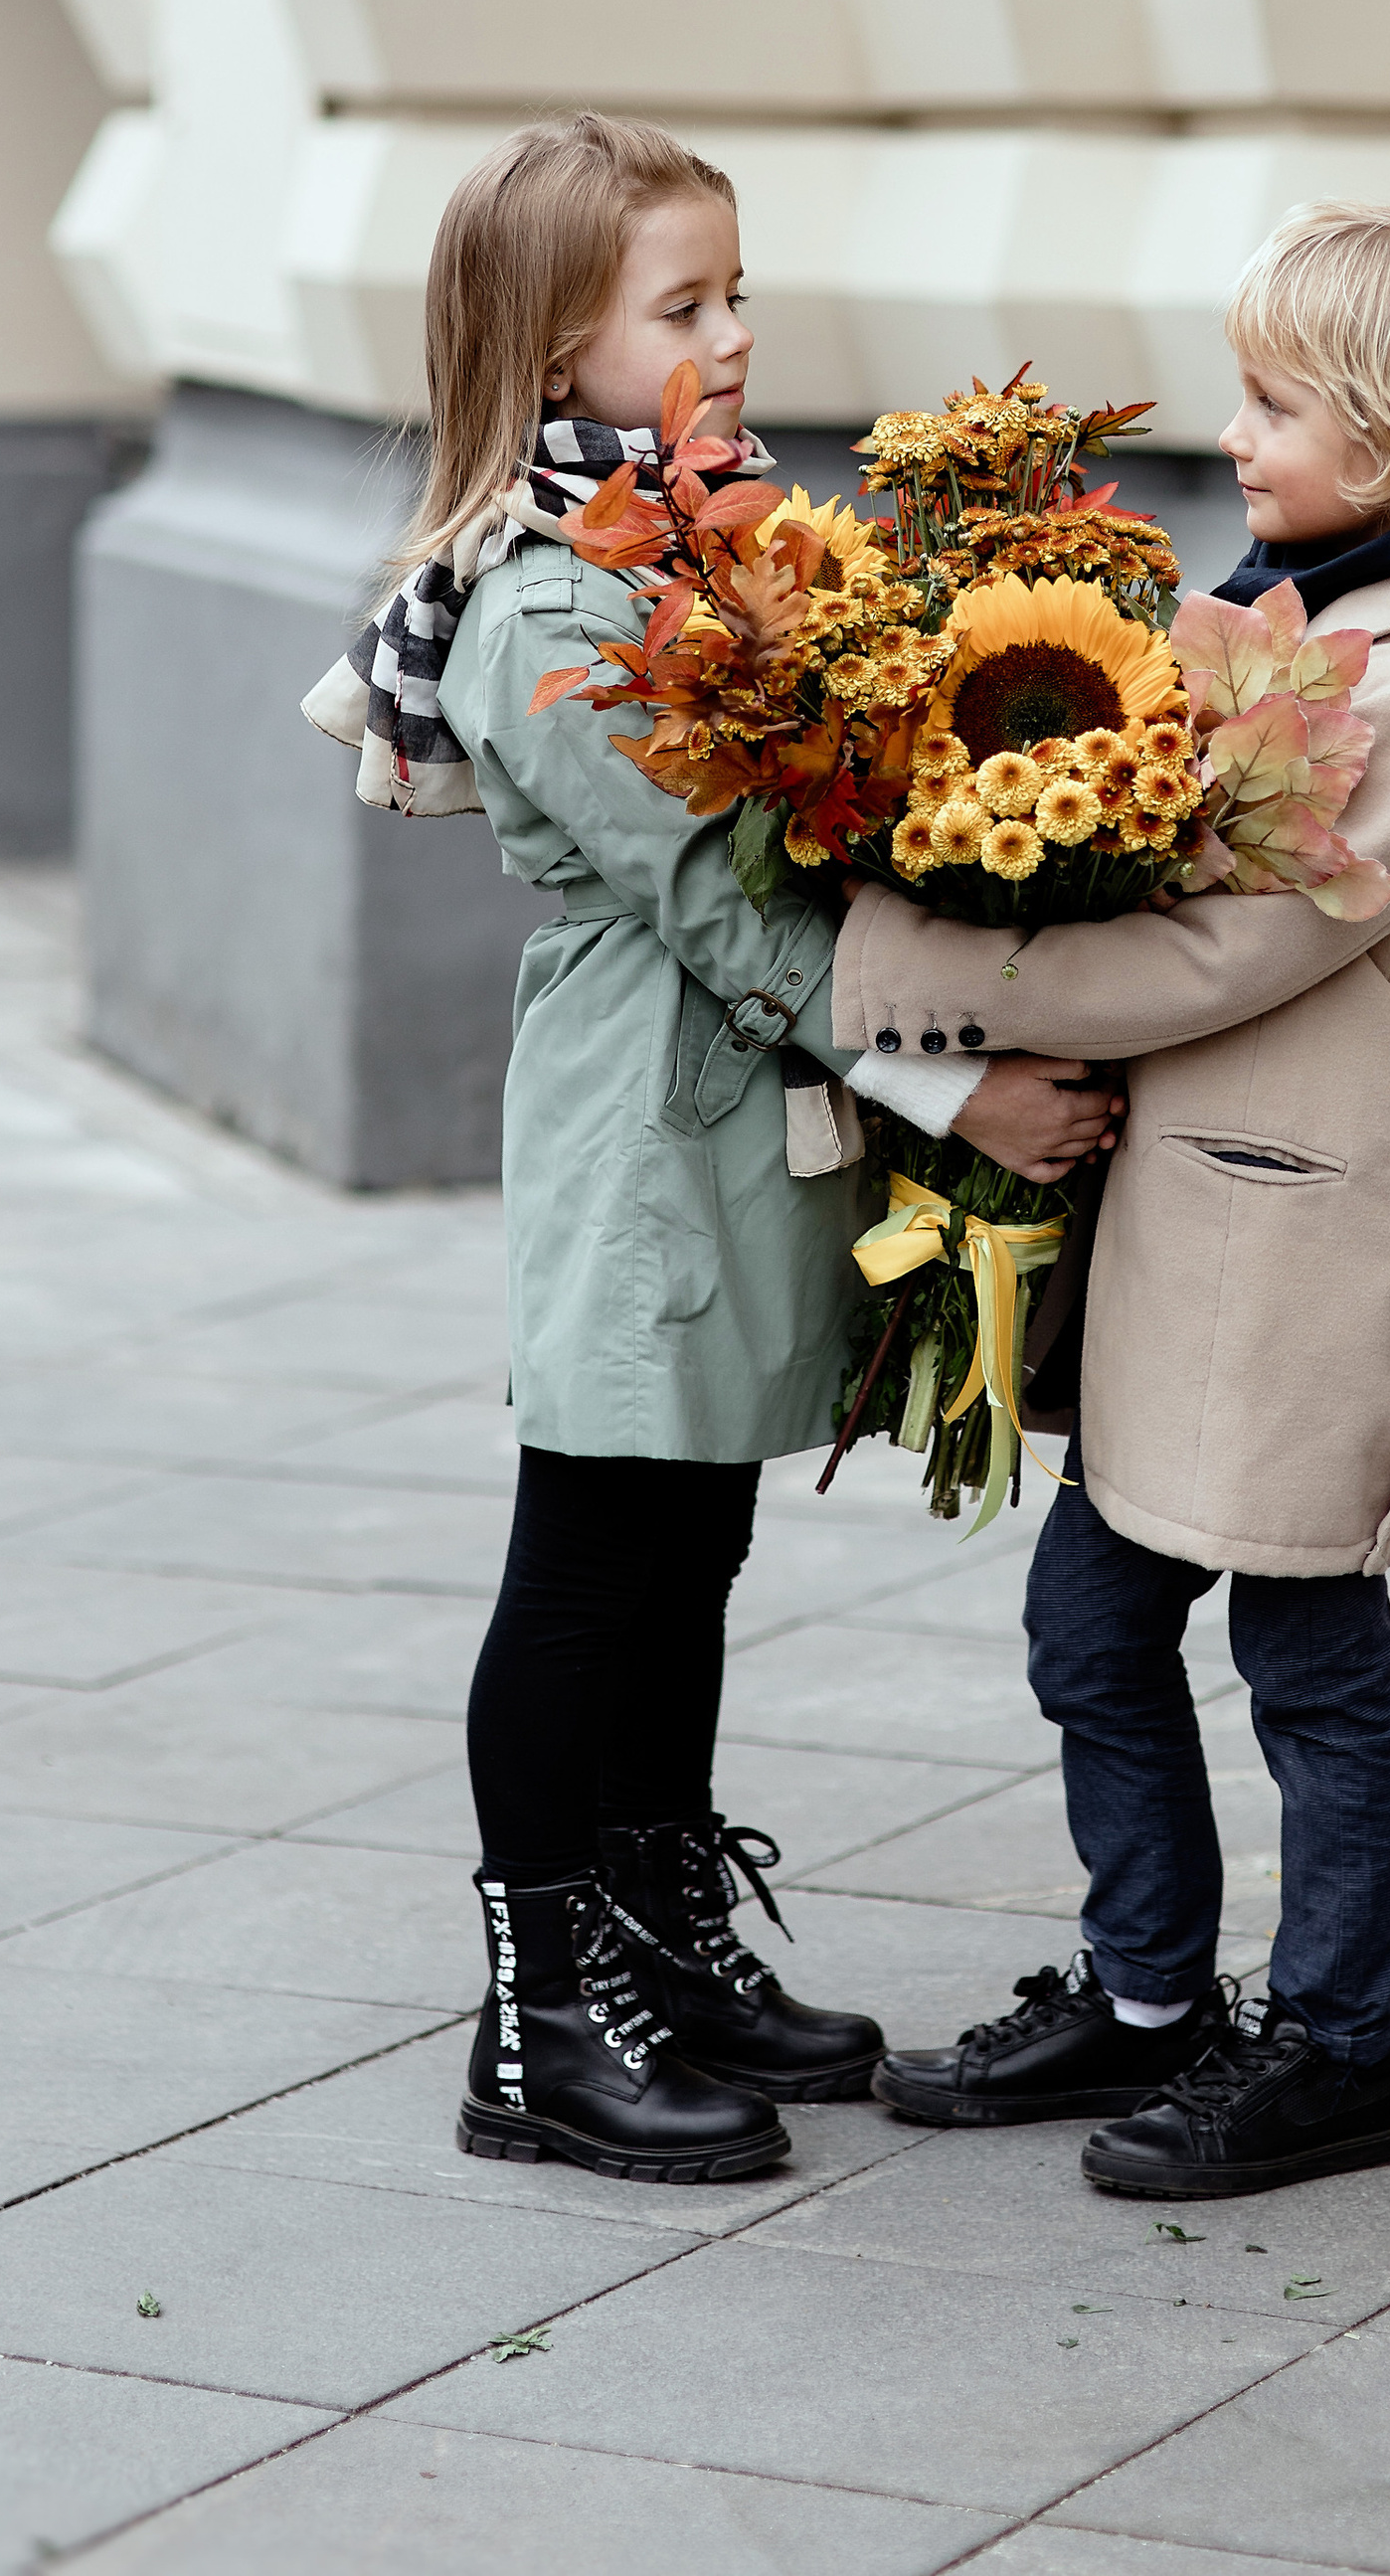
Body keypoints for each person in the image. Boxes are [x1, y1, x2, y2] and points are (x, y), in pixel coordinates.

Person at [320, 114, 1114, 2184]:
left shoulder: (691, 549)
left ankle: (663, 1951)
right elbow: (716, 912)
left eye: (733, 291)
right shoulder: (548, 611)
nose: (734, 335)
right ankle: (537, 2028)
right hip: (647, 1125)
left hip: (745, 1109)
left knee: (686, 1542)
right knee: (588, 1553)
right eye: (684, 306)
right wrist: (972, 1084)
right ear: (550, 345)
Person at [831, 201, 1390, 2199]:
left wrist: (902, 969)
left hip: (1294, 1245)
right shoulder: (1288, 599)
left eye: (1275, 402)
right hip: (1190, 1227)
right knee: (1094, 1629)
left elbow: (1207, 959)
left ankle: (1340, 2044)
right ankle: (1148, 1995)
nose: (1234, 435)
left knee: (1311, 1658)